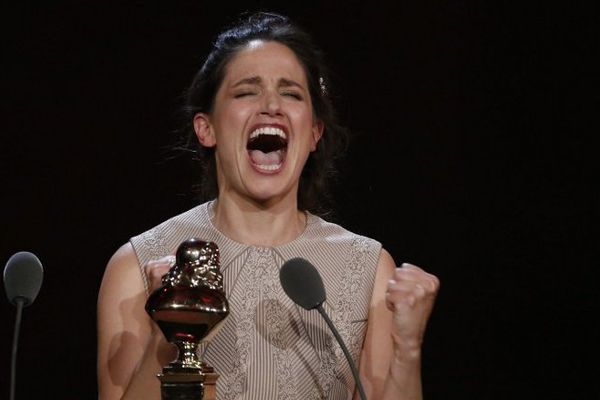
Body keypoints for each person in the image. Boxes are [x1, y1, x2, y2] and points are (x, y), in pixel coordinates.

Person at [97, 11, 439, 400]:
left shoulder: (370, 270)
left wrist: (409, 349)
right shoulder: (138, 267)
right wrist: (168, 336)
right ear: (206, 128)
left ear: (314, 133)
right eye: (246, 91)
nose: (271, 105)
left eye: (291, 93)